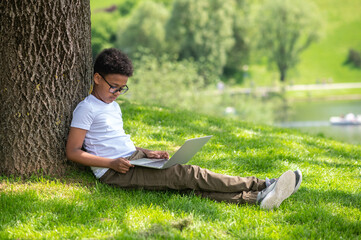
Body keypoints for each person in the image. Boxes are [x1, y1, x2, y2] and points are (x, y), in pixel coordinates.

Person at [66, 48, 302, 210]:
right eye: (114, 87)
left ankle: (255, 199)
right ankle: (262, 184)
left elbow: (111, 139)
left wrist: (146, 152)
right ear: (97, 78)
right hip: (114, 171)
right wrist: (111, 164)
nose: (117, 93)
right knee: (190, 175)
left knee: (187, 186)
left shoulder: (111, 105)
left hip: (133, 159)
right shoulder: (87, 109)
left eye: (122, 89)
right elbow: (73, 152)